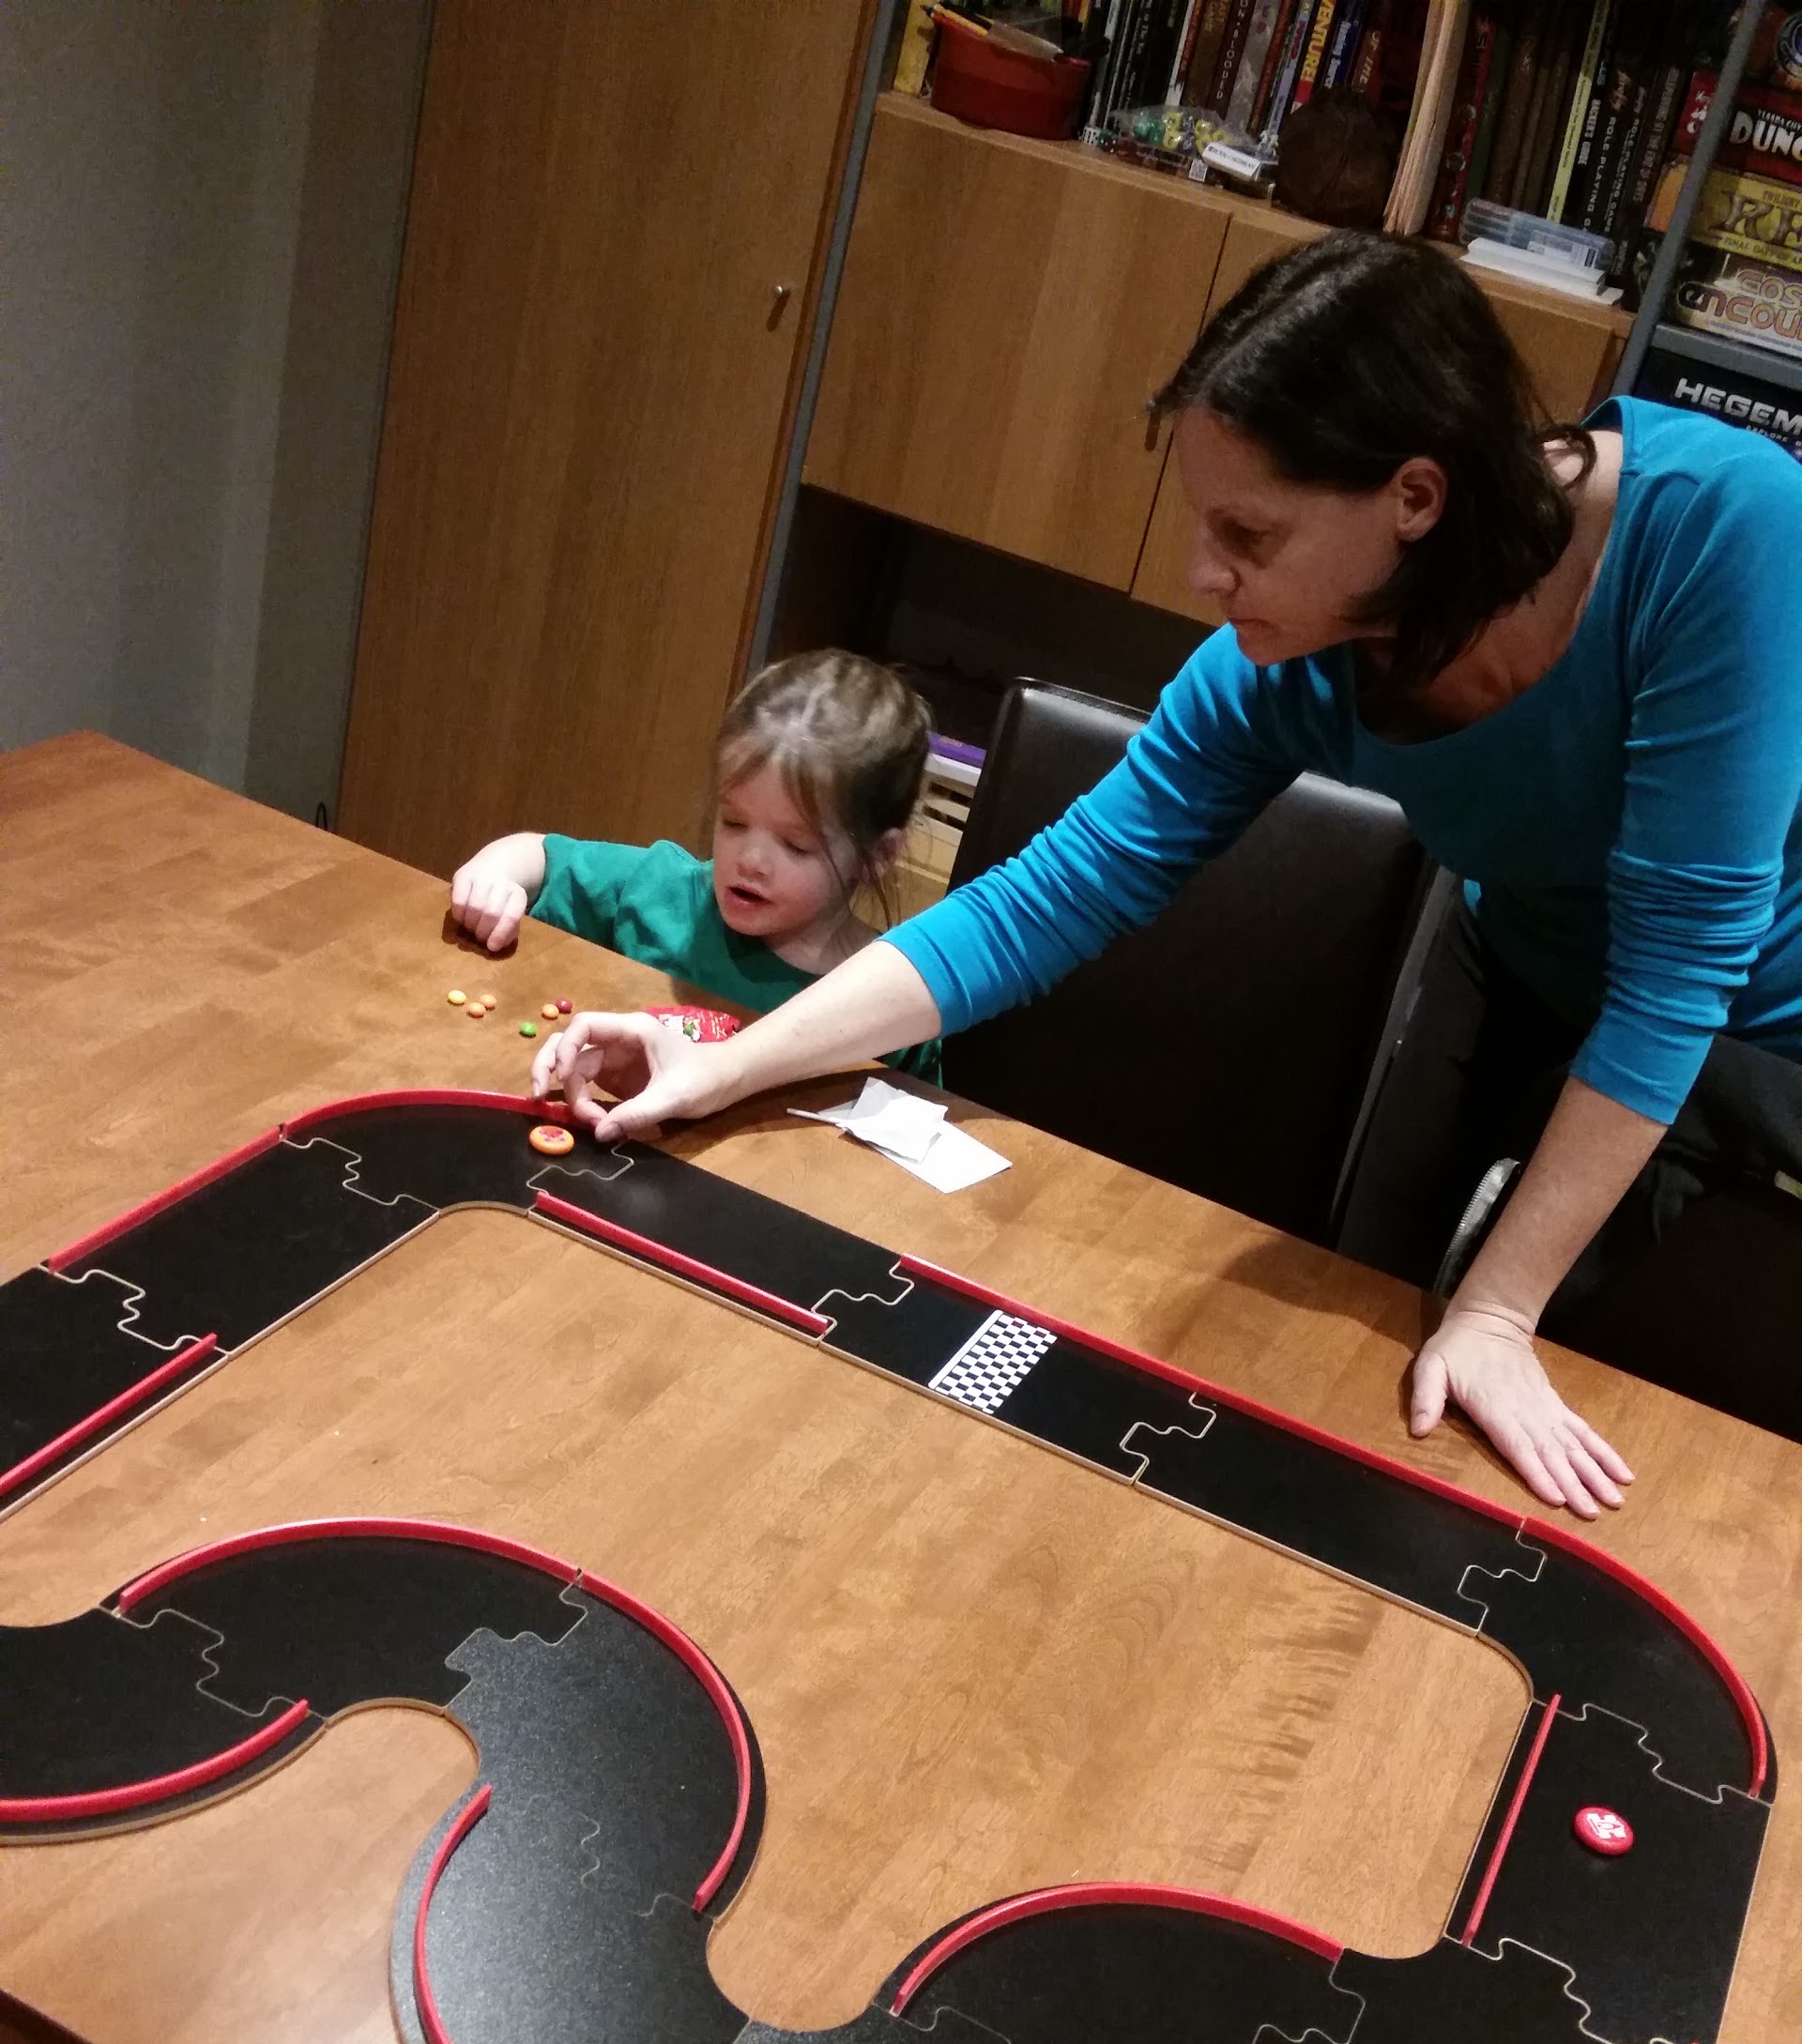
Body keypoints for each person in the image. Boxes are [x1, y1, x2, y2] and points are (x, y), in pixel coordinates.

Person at [530, 233, 1802, 1518]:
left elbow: (1676, 975)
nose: (1203, 573)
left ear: (1415, 497)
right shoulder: (1294, 658)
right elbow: (1048, 896)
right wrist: (726, 1062)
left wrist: (1501, 1308)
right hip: (1522, 955)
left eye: (1249, 532)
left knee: (1586, 1417)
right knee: (1368, 1363)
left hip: (1753, 1033)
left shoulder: (1725, 525)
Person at [450, 648, 939, 1080]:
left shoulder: (893, 995)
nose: (751, 860)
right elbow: (538, 853)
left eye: (795, 845)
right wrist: (493, 877)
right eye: (734, 822)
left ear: (878, 856)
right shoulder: (660, 891)